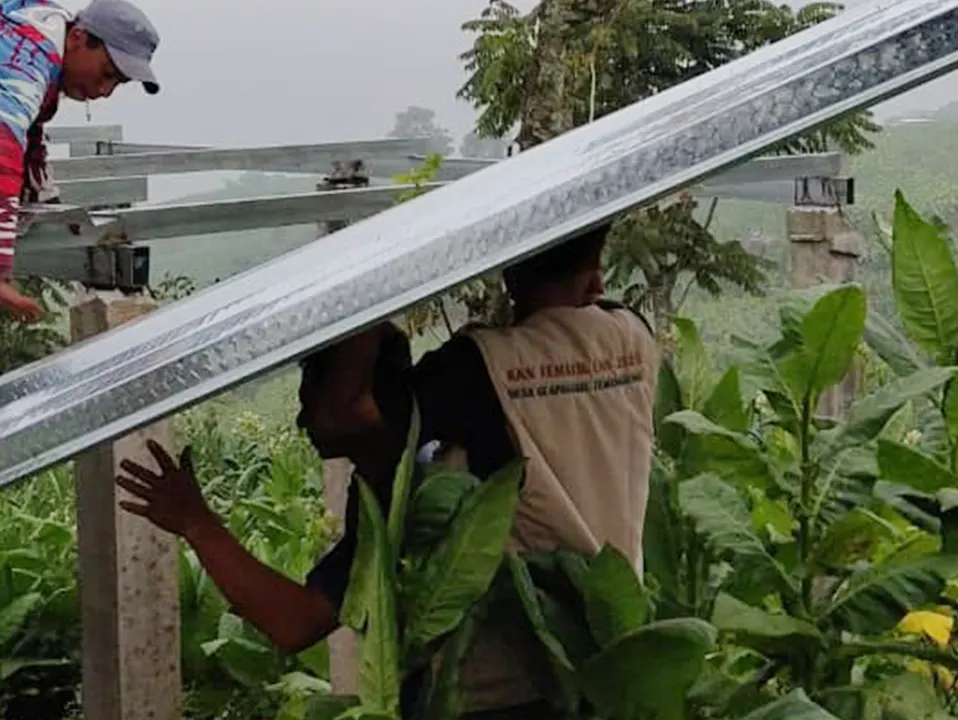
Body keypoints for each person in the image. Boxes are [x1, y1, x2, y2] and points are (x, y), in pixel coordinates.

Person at [114, 223, 661, 719]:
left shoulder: (455, 412)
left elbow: (295, 619)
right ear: (594, 273)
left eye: (308, 394)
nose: (305, 418)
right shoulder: (633, 337)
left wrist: (196, 522)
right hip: (607, 664)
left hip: (495, 695)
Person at [0, 0, 161, 321]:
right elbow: (4, 144)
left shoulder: (36, 29)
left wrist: (55, 209)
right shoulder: (28, 62)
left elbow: (28, 139)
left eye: (117, 83)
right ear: (78, 38)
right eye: (106, 74)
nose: (104, 91)